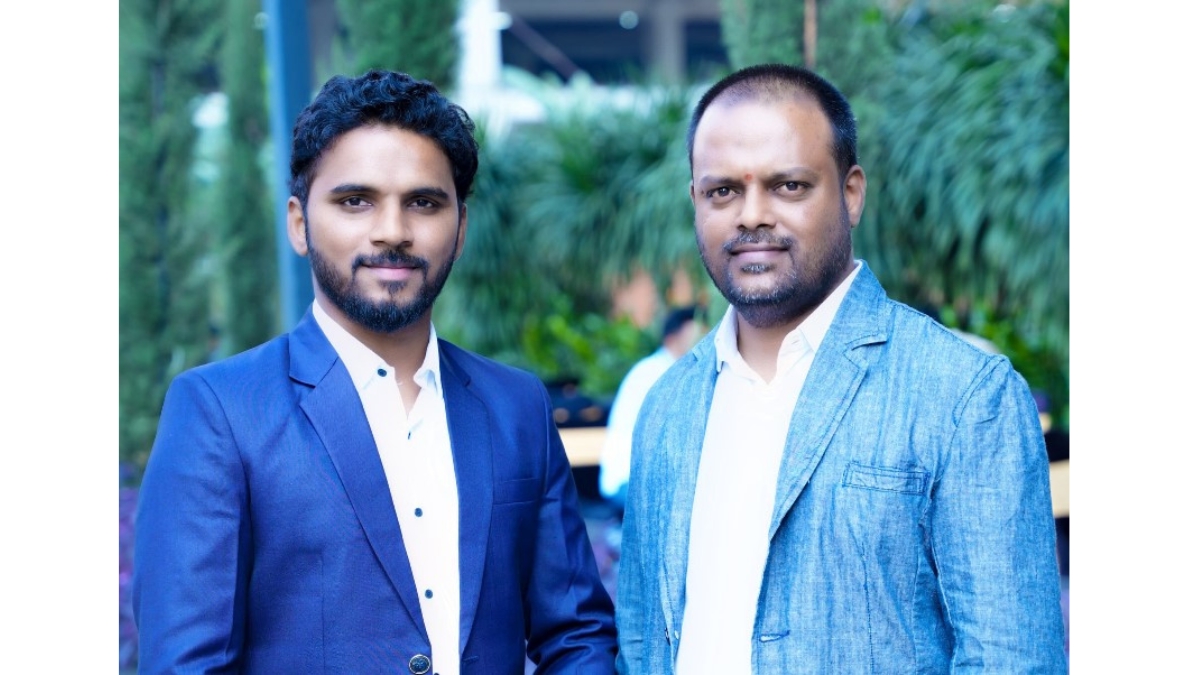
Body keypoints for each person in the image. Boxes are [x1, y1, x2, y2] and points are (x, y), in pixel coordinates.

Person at [132, 70, 617, 674]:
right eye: (355, 201)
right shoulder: (220, 411)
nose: (393, 232)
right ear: (299, 223)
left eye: (424, 203)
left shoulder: (515, 405)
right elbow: (186, 664)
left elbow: (577, 635)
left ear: (461, 229)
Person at [614, 63, 1067, 673]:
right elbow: (642, 642)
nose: (751, 215)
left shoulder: (964, 396)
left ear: (851, 193)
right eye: (723, 191)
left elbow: (1011, 660)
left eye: (788, 186)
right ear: (695, 199)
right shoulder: (667, 404)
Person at [599, 306, 704, 512]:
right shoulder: (655, 374)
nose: (703, 341)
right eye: (695, 335)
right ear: (671, 339)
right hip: (628, 481)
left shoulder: (666, 369)